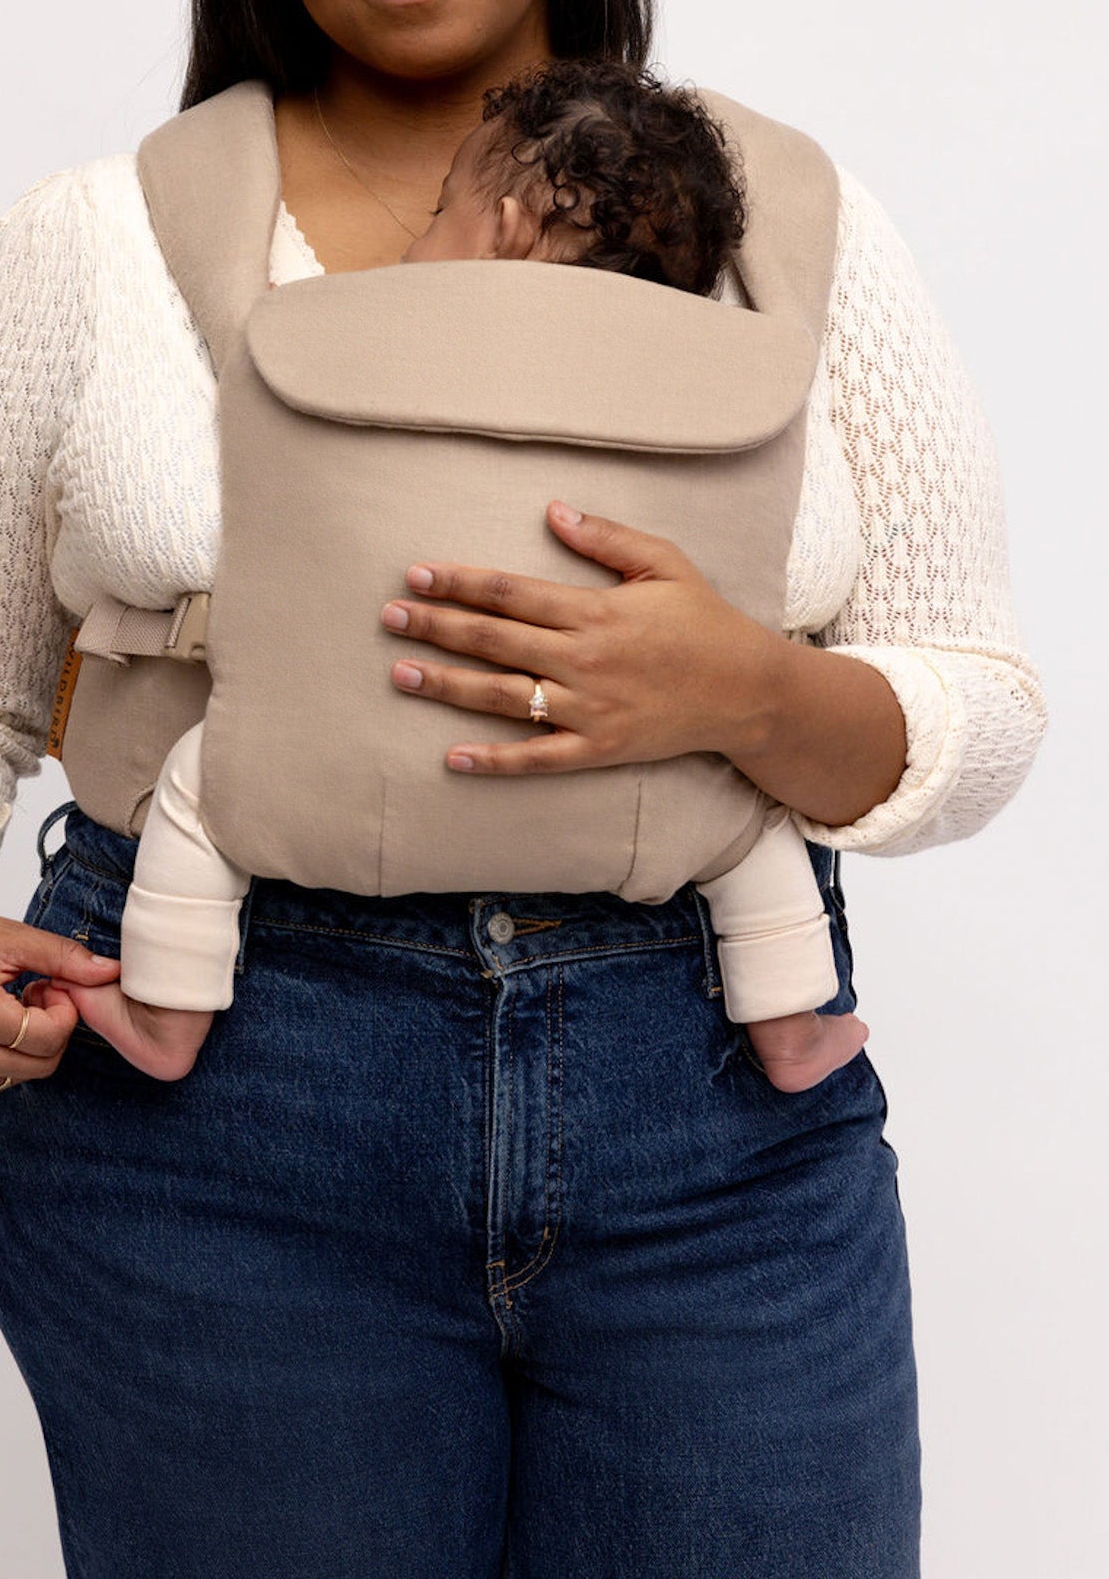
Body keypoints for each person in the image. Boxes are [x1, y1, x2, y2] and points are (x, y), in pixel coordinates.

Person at [0, 0, 1046, 1579]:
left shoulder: (783, 220)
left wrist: (743, 691)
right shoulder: (97, 244)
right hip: (216, 1085)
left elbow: (970, 690)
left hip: (710, 1087)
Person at [59, 59, 867, 1096]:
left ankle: (168, 1011)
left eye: (442, 209)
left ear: (514, 222)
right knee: (750, 825)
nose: (413, 240)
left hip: (340, 743)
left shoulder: (340, 337)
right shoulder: (723, 377)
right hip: (650, 791)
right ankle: (791, 1027)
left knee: (200, 788)